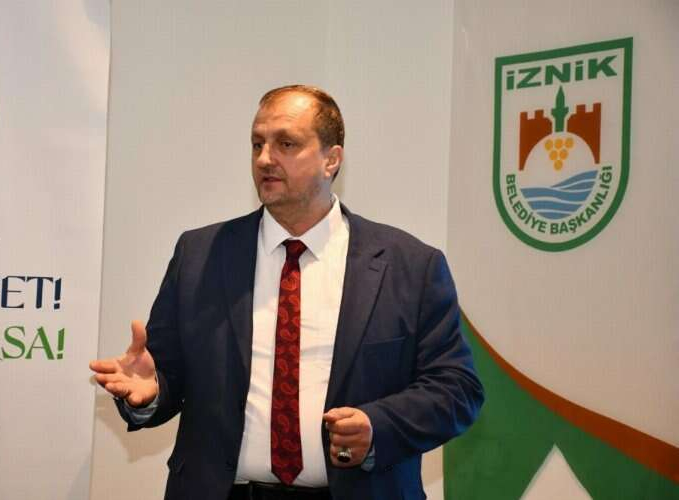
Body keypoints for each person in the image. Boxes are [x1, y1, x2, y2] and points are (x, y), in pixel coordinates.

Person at [90, 85, 484, 500]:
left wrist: (378, 426)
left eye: (286, 144)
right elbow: (167, 375)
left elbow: (457, 388)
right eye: (257, 144)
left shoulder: (410, 266)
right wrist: (151, 393)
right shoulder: (200, 255)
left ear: (332, 159)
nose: (265, 158)